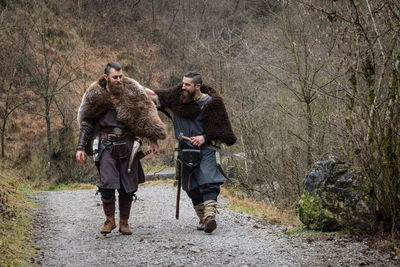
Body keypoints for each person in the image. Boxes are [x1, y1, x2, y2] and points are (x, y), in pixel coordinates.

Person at [76, 62, 166, 235]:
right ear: (106, 77)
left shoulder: (132, 91)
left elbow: (145, 114)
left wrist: (153, 139)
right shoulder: (96, 95)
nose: (119, 80)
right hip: (105, 145)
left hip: (128, 144)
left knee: (128, 186)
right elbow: (87, 122)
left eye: (120, 76)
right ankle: (109, 220)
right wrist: (80, 147)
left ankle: (124, 223)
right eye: (115, 77)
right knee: (107, 184)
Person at [146, 71, 236, 233]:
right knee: (191, 187)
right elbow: (151, 95)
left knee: (209, 182)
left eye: (187, 84)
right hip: (185, 151)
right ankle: (203, 219)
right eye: (183, 83)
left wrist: (204, 137)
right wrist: (129, 84)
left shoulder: (211, 103)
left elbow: (222, 130)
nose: (183, 87)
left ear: (197, 86)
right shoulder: (177, 101)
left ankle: (210, 217)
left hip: (206, 149)